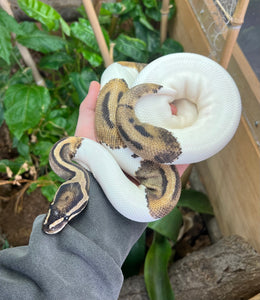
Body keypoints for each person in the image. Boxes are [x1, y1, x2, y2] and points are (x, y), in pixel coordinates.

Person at [0, 81, 188, 299]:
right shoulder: (73, 163)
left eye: (61, 215)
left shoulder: (76, 162)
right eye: (64, 218)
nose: (52, 225)